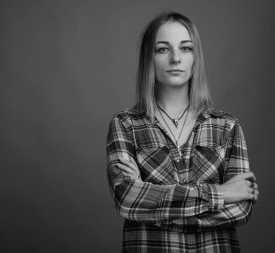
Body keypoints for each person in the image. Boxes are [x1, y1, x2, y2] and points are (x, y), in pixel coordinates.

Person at [106, 12, 259, 252]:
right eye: (163, 49)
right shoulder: (126, 125)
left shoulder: (227, 126)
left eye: (186, 48)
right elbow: (128, 201)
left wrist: (153, 203)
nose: (176, 58)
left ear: (196, 57)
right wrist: (221, 193)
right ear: (149, 58)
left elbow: (241, 209)